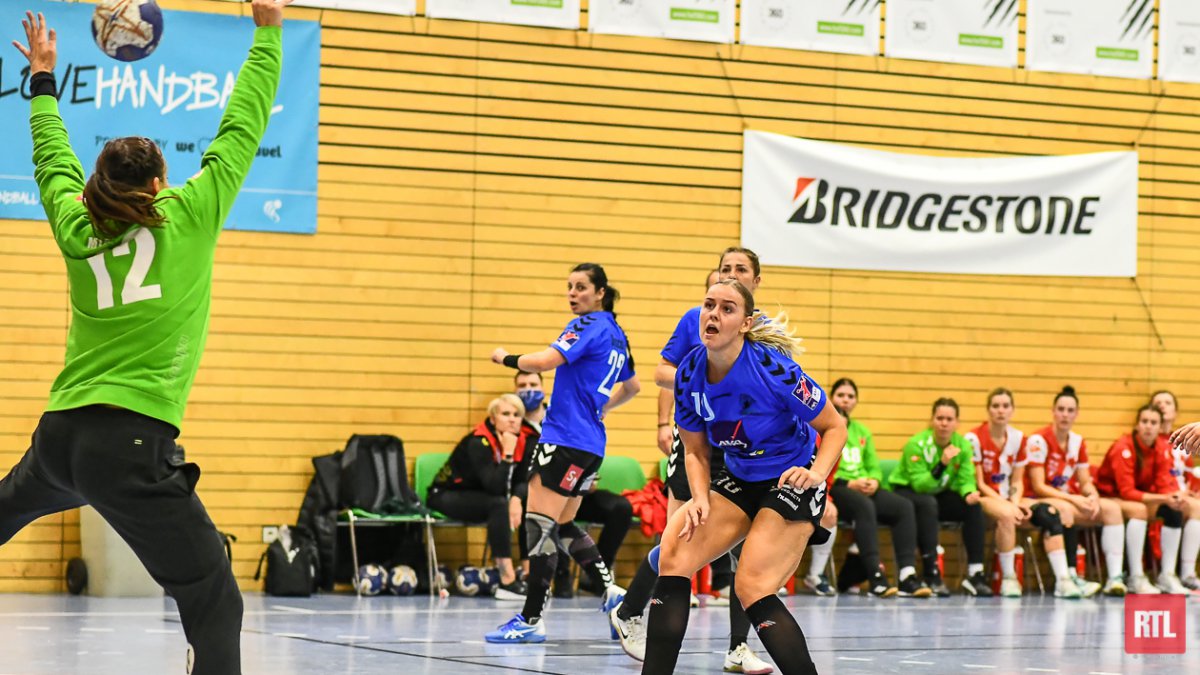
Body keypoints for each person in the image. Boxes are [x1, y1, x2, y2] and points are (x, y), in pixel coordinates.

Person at [0, 4, 289, 674]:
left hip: (61, 439)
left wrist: (42, 80)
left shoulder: (77, 226)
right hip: (130, 445)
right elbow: (242, 124)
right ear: (160, 183)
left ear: (99, 185)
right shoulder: (188, 214)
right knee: (214, 597)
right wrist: (270, 32)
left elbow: (51, 159)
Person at [640, 279, 846, 675]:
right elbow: (696, 450)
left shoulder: (774, 370)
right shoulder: (688, 373)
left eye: (727, 308)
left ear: (746, 323)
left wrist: (817, 473)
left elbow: (835, 426)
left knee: (751, 586)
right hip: (739, 476)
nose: (714, 314)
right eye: (709, 305)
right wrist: (700, 498)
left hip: (788, 479)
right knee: (674, 551)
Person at [611, 253, 773, 675]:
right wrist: (673, 411)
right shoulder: (696, 320)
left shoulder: (764, 329)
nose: (731, 274)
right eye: (726, 268)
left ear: (756, 280)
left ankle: (738, 646)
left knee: (745, 549)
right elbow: (663, 373)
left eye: (740, 270)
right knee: (679, 540)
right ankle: (630, 610)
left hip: (741, 448)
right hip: (698, 442)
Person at [485, 263, 640, 643]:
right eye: (570, 287)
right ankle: (610, 590)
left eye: (581, 287)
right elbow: (632, 386)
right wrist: (601, 408)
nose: (573, 294)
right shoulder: (618, 333)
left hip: (564, 439)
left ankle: (530, 619)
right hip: (591, 445)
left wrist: (505, 357)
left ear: (600, 292)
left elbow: (544, 362)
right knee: (565, 524)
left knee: (538, 525)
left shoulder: (587, 325)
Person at [964, 388, 1076, 598]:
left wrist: (1015, 502)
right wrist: (1008, 505)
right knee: (1007, 515)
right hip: (986, 497)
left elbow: (1016, 480)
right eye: (996, 406)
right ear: (988, 410)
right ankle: (1009, 578)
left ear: (1012, 410)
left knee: (1050, 513)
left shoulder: (1018, 438)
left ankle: (1064, 580)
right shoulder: (973, 438)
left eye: (1005, 406)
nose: (1001, 411)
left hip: (1011, 496)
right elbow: (979, 483)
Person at [825, 378, 930, 598]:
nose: (845, 400)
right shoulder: (823, 427)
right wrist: (849, 483)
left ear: (856, 401)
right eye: (841, 395)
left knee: (903, 507)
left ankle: (907, 575)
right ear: (831, 398)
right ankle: (875, 577)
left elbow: (873, 465)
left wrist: (874, 481)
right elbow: (822, 464)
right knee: (865, 506)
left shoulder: (862, 432)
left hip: (863, 488)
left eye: (850, 396)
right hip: (837, 488)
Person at [427, 394, 533, 600]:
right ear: (493, 419)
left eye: (517, 415)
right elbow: (494, 487)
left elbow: (524, 480)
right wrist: (508, 454)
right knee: (499, 504)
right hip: (445, 494)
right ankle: (507, 581)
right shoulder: (478, 442)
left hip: (481, 497)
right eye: (506, 414)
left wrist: (516, 499)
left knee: (523, 503)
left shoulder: (524, 441)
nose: (512, 419)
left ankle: (530, 576)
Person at [1025, 386, 1127, 596]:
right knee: (1065, 509)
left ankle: (1114, 579)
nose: (1065, 415)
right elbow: (1038, 486)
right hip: (1039, 499)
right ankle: (1068, 577)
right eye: (1061, 409)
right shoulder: (1038, 440)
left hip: (1068, 498)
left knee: (1112, 509)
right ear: (1053, 412)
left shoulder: (1078, 442)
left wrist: (1092, 496)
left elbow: (1084, 481)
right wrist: (1074, 499)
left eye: (1070, 410)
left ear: (1077, 414)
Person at [888, 399, 991, 597]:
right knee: (927, 503)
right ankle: (931, 573)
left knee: (973, 507)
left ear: (957, 423)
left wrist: (969, 492)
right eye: (940, 418)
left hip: (937, 494)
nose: (944, 423)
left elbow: (966, 478)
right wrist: (942, 464)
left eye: (949, 419)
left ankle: (975, 574)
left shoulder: (962, 445)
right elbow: (920, 485)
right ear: (932, 421)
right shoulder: (916, 444)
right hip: (907, 491)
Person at [1095, 404, 1189, 594]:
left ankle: (1167, 575)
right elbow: (1126, 491)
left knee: (1174, 509)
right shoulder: (1123, 447)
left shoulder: (1162, 447)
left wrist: (1173, 495)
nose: (1148, 426)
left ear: (1160, 427)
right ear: (1137, 425)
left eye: (1153, 422)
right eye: (1144, 421)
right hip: (1110, 496)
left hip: (1138, 497)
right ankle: (1136, 576)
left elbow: (1164, 481)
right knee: (1139, 510)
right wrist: (1163, 497)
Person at [1151, 390, 1200, 591]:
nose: (1162, 406)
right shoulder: (1151, 439)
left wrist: (1192, 491)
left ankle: (1188, 573)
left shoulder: (1181, 441)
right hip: (1160, 496)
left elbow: (1189, 475)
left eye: (1167, 402)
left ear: (1176, 411)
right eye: (1158, 403)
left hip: (1182, 495)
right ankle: (1171, 573)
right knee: (1193, 508)